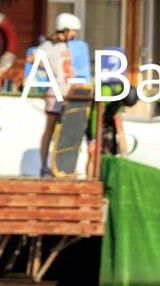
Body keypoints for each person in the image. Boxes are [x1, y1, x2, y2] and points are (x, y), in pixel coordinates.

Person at [34, 13, 79, 177]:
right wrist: (48, 71)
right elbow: (33, 58)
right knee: (51, 129)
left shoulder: (64, 46)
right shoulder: (49, 44)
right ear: (65, 29)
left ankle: (61, 166)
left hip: (68, 92)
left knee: (67, 129)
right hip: (55, 93)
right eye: (73, 31)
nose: (74, 35)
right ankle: (44, 165)